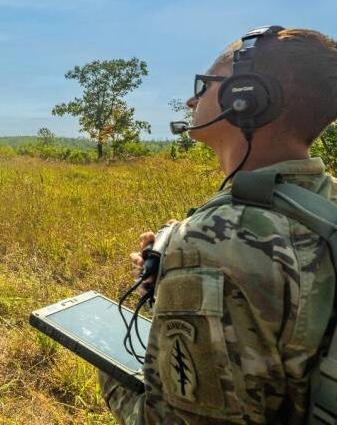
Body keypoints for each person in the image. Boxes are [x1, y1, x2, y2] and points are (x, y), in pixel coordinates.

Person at [99, 27, 337, 423]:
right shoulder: (320, 205)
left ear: (245, 98)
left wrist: (107, 364)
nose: (192, 98)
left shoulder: (211, 245)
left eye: (204, 85)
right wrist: (176, 272)